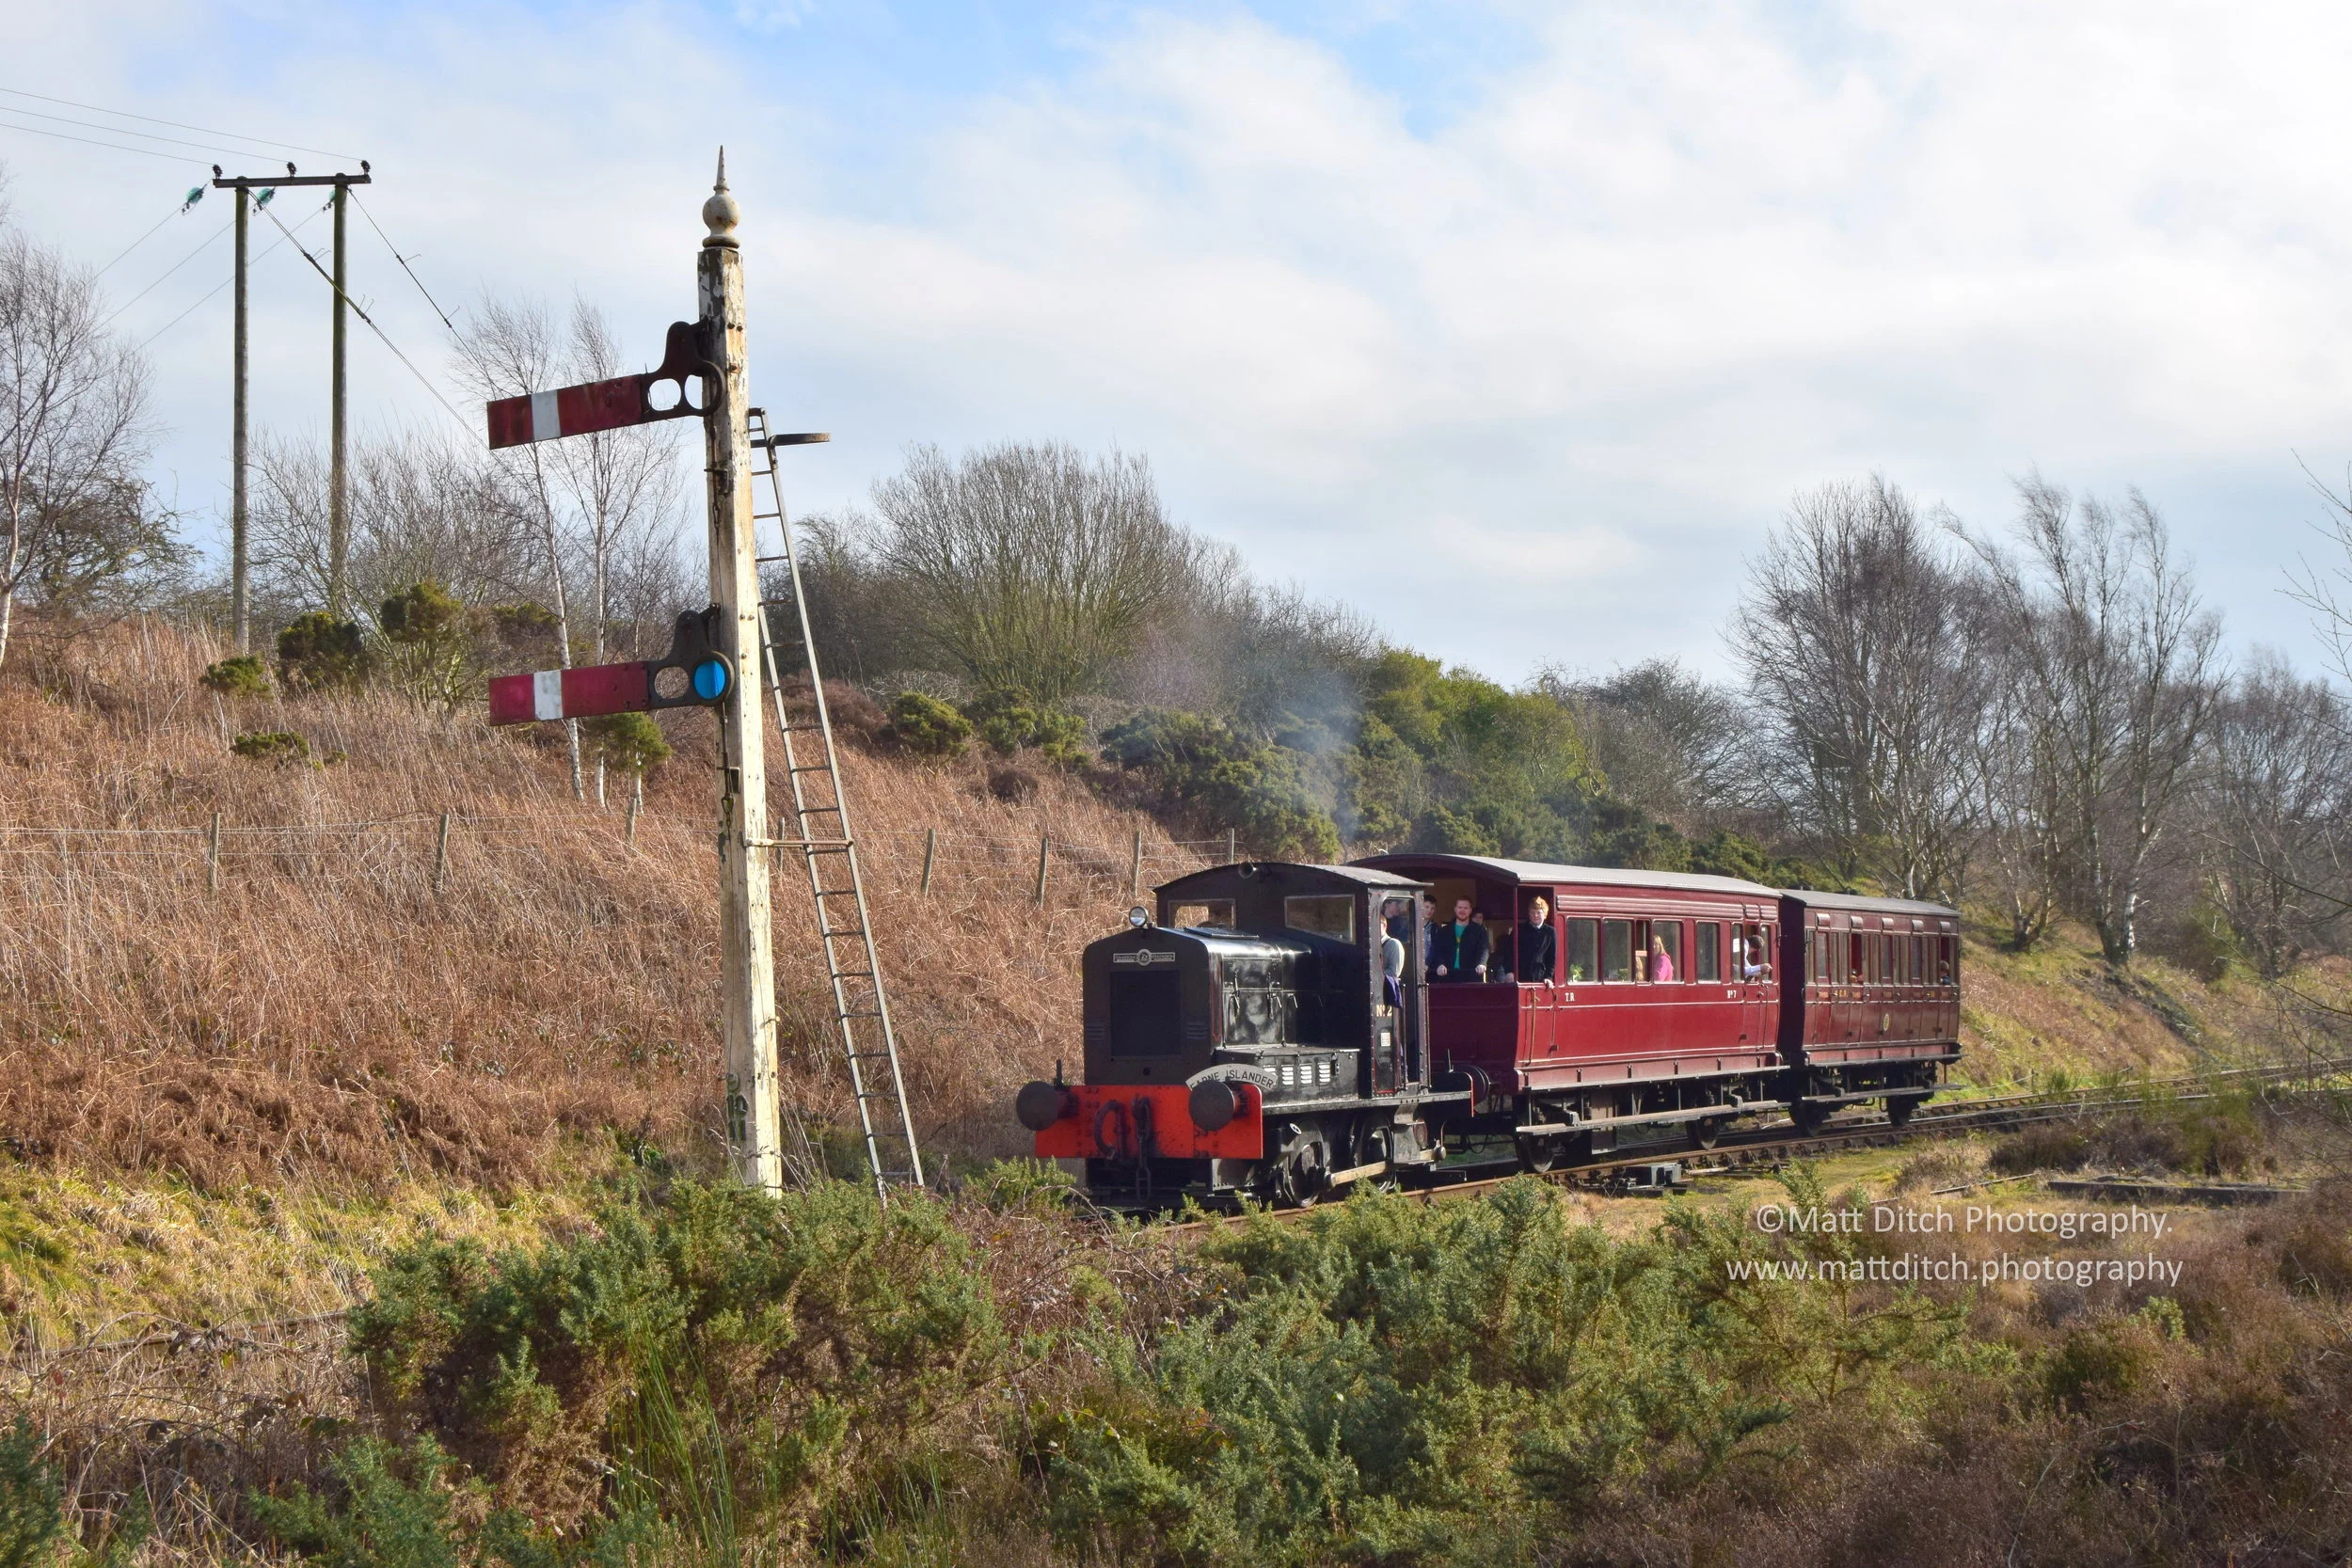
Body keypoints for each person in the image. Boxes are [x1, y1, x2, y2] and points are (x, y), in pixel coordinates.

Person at [1431, 896, 1489, 981]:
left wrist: (1482, 963)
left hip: (1471, 975)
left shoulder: (1479, 930)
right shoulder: (1444, 931)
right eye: (1460, 907)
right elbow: (1438, 950)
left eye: (1466, 908)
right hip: (1447, 975)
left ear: (1470, 910)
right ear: (1455, 909)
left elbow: (1484, 949)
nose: (1462, 910)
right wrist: (1440, 964)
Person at [1517, 895, 1556, 983]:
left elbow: (1552, 957)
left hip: (1540, 978)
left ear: (1545, 914)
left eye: (1539, 913)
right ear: (1529, 914)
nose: (1535, 915)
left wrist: (1548, 977)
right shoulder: (1520, 930)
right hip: (1521, 977)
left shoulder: (1550, 932)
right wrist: (1510, 972)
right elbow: (1510, 953)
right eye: (1533, 912)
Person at [1379, 899, 1407, 1010]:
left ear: (1384, 926)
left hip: (1386, 994)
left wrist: (1375, 976)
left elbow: (1393, 972)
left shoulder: (1394, 944)